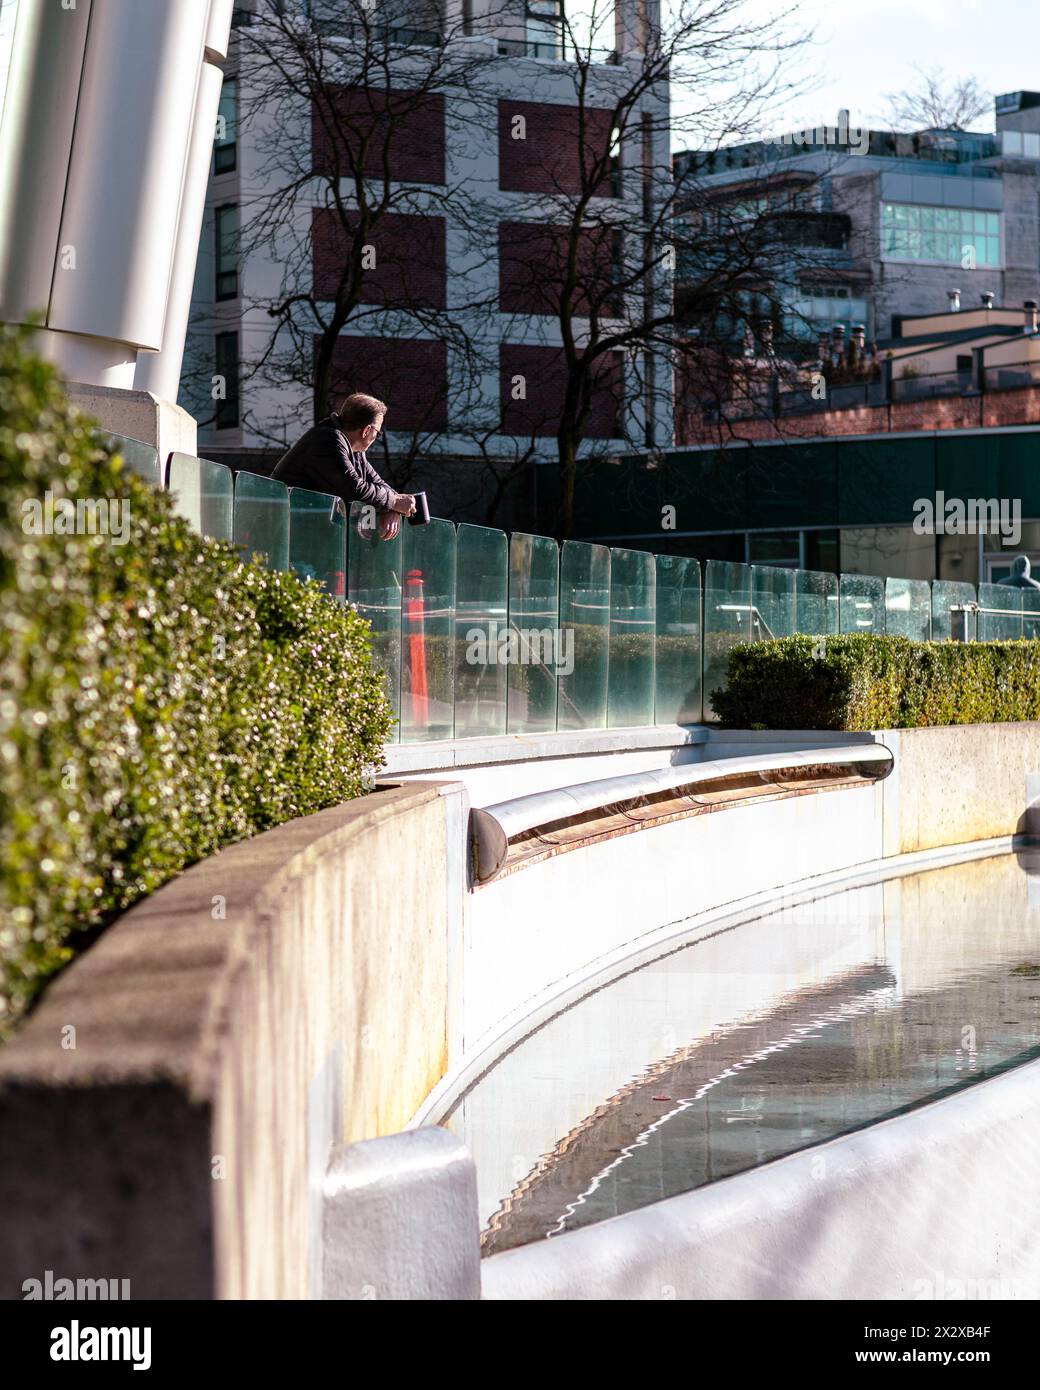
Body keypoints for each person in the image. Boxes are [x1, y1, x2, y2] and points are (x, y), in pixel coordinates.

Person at [272, 392, 415, 539]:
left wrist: (394, 508)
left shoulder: (354, 450)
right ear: (366, 430)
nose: (376, 438)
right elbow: (354, 489)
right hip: (287, 533)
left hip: (304, 532)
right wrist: (394, 502)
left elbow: (378, 484)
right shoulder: (327, 440)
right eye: (377, 433)